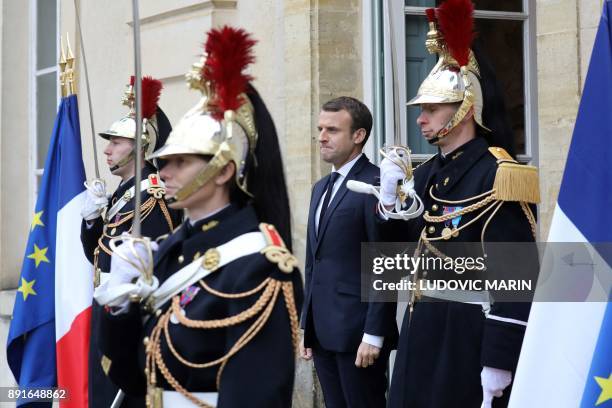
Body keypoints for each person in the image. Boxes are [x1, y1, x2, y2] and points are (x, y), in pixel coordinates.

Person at [93, 26, 303, 407]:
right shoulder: (170, 252)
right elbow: (130, 378)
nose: (165, 172)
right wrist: (119, 307)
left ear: (223, 170)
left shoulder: (259, 265)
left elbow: (253, 395)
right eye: (163, 161)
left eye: (181, 162)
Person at [379, 1, 540, 407]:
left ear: (464, 109)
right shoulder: (431, 171)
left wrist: (500, 358)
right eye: (422, 111)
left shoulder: (499, 173)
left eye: (432, 110)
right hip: (423, 323)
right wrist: (390, 202)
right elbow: (402, 251)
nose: (421, 119)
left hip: (468, 331)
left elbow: (516, 276)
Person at [80, 76, 183, 408]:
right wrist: (92, 219)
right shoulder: (122, 194)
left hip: (131, 312)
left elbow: (149, 263)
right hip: (109, 302)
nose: (107, 149)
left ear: (140, 148)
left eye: (116, 142)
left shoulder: (150, 194)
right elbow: (97, 253)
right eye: (108, 142)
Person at [299, 96, 398, 407]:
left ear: (358, 136)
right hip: (323, 330)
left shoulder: (378, 184)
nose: (322, 137)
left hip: (358, 333)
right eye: (319, 129)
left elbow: (386, 262)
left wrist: (374, 333)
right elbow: (313, 261)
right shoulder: (320, 187)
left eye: (332, 129)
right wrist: (306, 325)